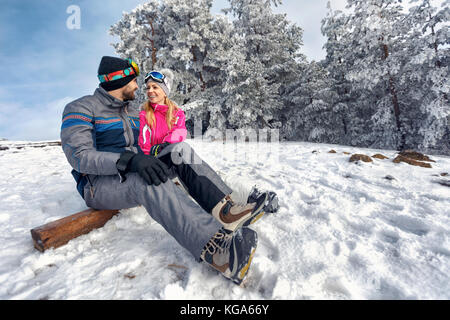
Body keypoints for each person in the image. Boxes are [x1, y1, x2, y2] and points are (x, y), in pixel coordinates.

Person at [60, 56, 269, 285]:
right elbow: (79, 157)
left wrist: (157, 149)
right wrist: (130, 161)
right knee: (144, 179)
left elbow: (151, 141)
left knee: (178, 149)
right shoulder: (80, 108)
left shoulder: (132, 111)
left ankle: (226, 211)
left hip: (133, 168)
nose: (138, 87)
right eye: (134, 81)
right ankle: (220, 252)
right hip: (98, 185)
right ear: (119, 79)